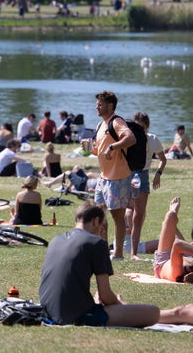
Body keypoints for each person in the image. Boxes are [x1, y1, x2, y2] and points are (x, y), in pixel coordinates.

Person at [39, 202, 160, 327]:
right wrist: (120, 305)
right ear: (96, 221)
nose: (100, 231)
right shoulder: (96, 243)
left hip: (47, 310)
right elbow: (106, 296)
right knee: (153, 313)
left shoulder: (56, 240)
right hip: (76, 315)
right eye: (102, 227)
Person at [81, 91, 135, 260]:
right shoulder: (100, 125)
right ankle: (102, 250)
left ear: (110, 106)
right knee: (98, 214)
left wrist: (113, 147)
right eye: (97, 103)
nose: (96, 106)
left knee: (117, 217)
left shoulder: (117, 122)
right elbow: (99, 149)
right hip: (103, 178)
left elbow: (131, 138)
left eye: (100, 104)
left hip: (117, 178)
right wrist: (89, 148)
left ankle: (118, 254)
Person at [128, 111, 167, 260]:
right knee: (123, 212)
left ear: (147, 128)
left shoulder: (152, 139)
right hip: (126, 174)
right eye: (136, 127)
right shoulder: (128, 138)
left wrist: (158, 174)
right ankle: (117, 248)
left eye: (142, 128)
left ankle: (133, 253)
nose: (139, 131)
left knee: (138, 216)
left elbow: (163, 159)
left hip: (142, 175)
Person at [152, 197, 193, 282]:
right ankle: (171, 224)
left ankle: (170, 223)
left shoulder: (176, 273)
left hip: (167, 263)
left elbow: (178, 244)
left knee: (170, 216)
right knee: (171, 217)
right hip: (187, 256)